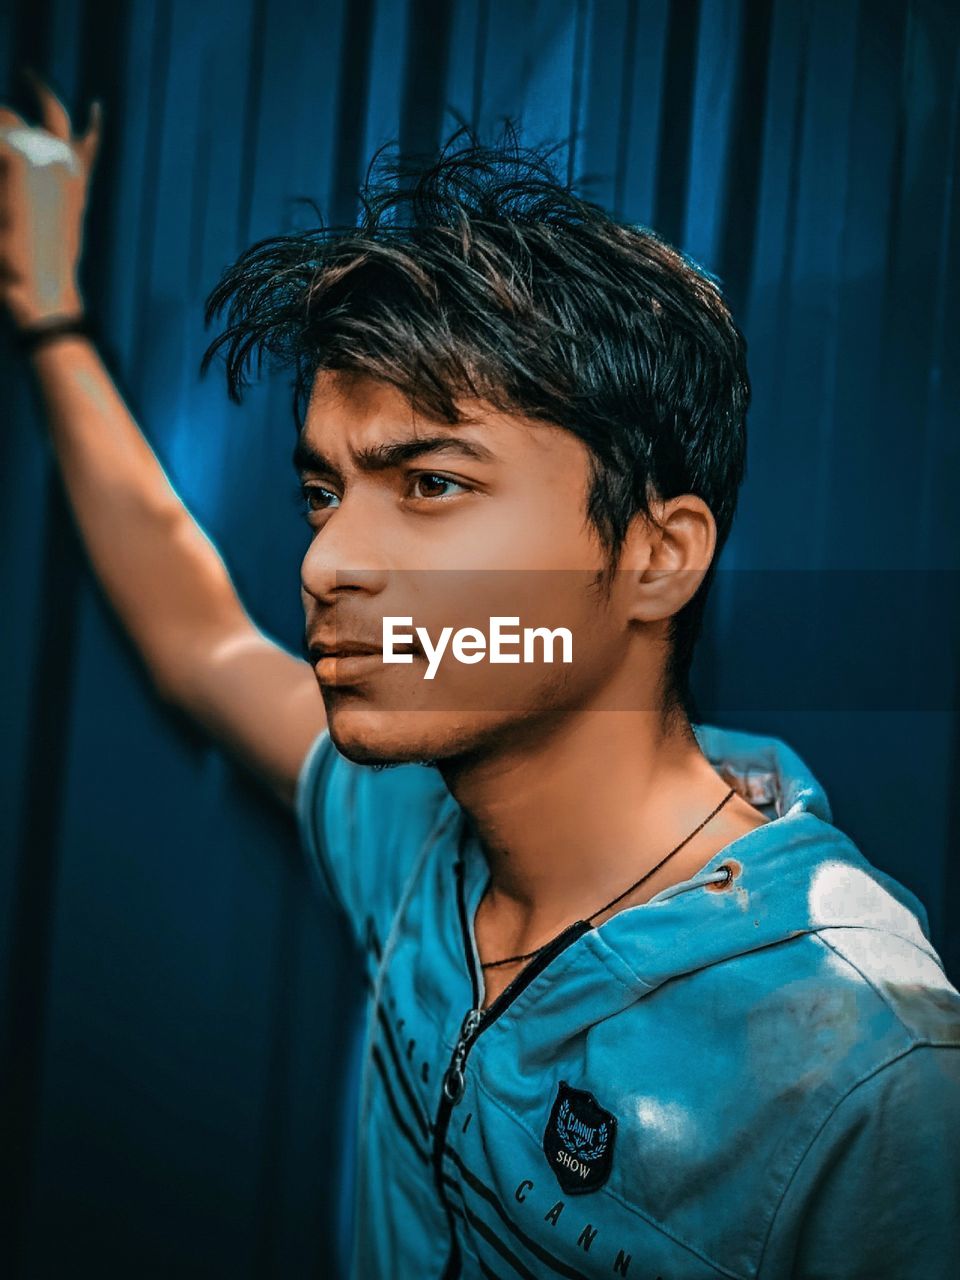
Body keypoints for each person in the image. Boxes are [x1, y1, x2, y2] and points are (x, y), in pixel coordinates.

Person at [2, 75, 959, 1280]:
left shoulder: (866, 1068)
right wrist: (48, 315)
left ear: (657, 556)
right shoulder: (409, 823)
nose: (326, 559)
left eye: (433, 484)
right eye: (323, 492)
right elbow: (201, 639)